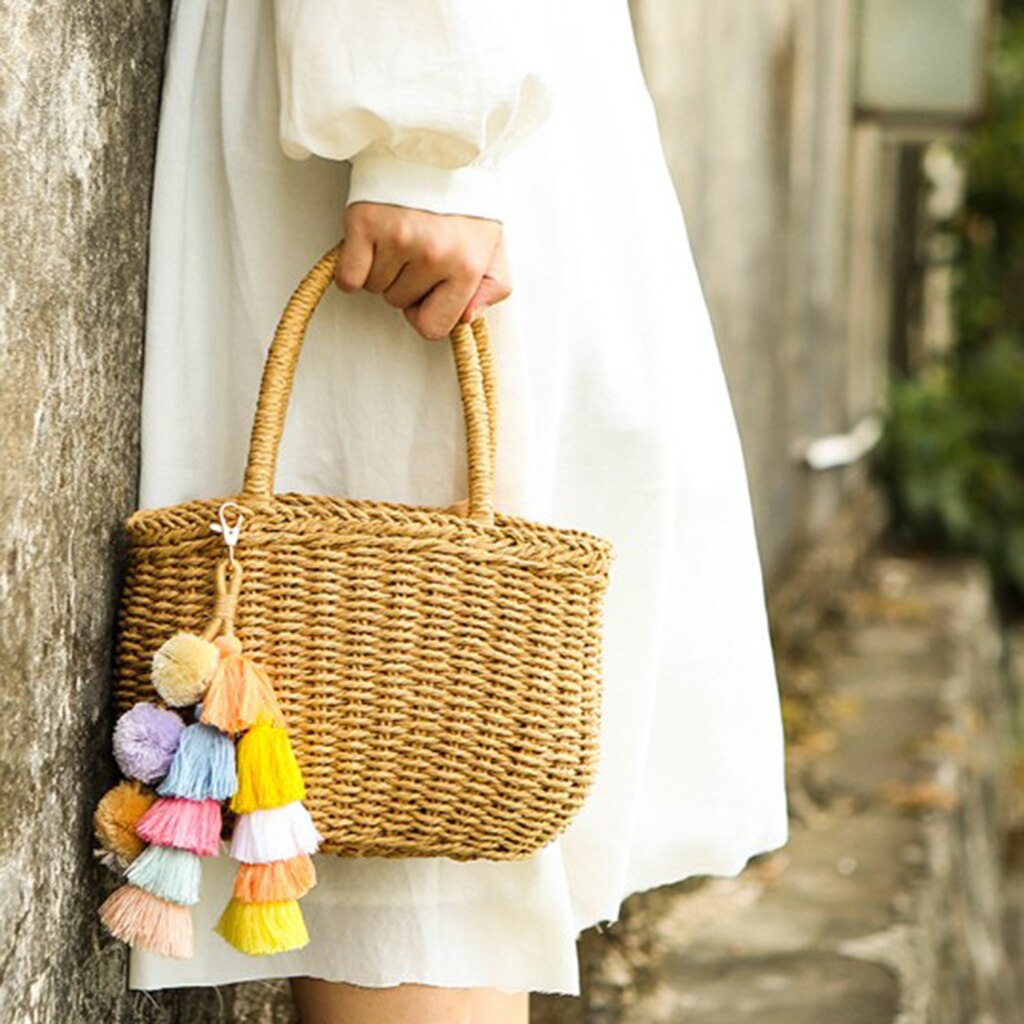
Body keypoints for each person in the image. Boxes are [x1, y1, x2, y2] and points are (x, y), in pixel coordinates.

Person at [128, 1, 790, 1021]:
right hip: (413, 109)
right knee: (411, 815)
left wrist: (427, 135)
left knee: (428, 800)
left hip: (448, 107)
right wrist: (419, 136)